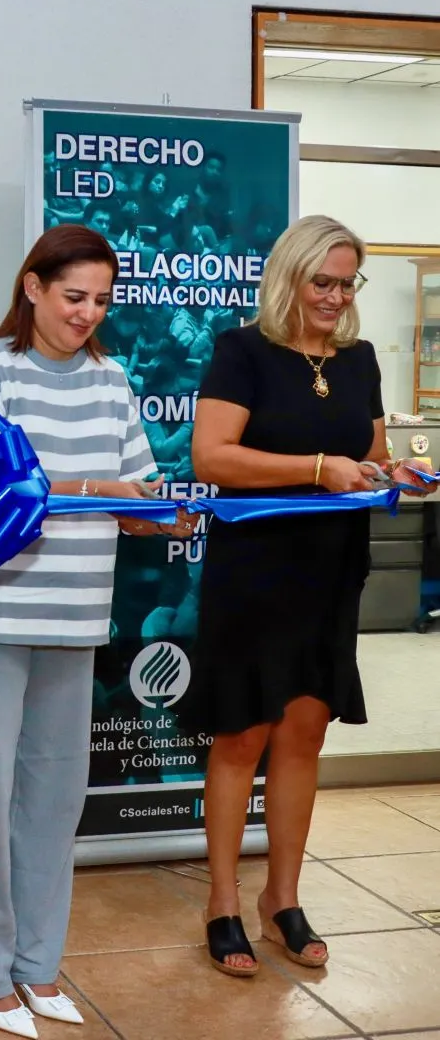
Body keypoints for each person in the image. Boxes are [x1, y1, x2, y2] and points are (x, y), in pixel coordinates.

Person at [0, 225, 192, 1039]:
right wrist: (95, 485)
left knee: (51, 800)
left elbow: (133, 487)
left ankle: (36, 967)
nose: (88, 314)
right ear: (33, 287)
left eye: (102, 301)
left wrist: (155, 511)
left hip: (73, 618)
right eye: (74, 296)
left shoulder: (114, 378)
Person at [188, 215, 437, 978]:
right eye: (321, 281)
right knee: (242, 736)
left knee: (304, 734)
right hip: (254, 571)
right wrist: (317, 467)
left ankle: (281, 901)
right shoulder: (242, 352)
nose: (334, 296)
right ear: (289, 277)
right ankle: (222, 902)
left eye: (346, 282)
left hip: (331, 570)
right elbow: (213, 457)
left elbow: (371, 456)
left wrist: (392, 475)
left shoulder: (359, 361)